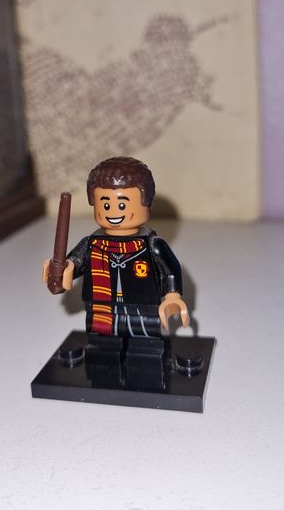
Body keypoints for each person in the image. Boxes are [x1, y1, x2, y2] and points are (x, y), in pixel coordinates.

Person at [46, 156, 189, 386]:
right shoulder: (92, 243)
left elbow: (170, 269)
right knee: (102, 343)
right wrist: (63, 269)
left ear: (146, 204)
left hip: (142, 306)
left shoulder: (151, 245)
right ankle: (103, 366)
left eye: (122, 205)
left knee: (145, 341)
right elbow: (76, 261)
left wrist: (172, 296)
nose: (113, 212)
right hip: (101, 306)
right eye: (105, 204)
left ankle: (146, 370)